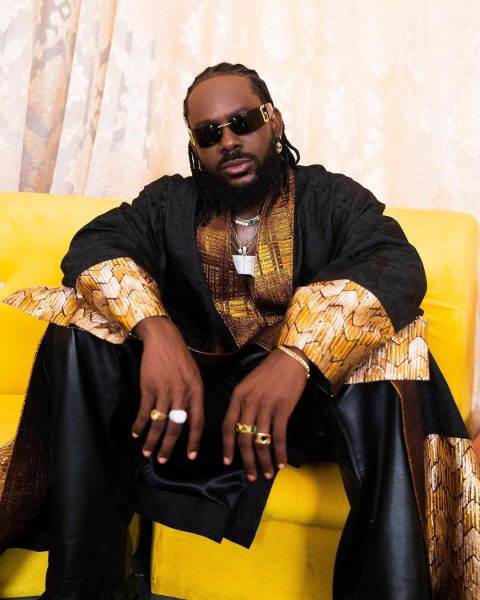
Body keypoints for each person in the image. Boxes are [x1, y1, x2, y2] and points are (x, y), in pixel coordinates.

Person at [1, 62, 479, 600]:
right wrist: (156, 330)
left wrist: (296, 358)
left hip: (306, 413)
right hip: (189, 410)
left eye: (243, 122)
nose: (228, 141)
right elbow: (95, 244)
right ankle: (87, 588)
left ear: (274, 120)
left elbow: (393, 263)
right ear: (195, 146)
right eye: (209, 133)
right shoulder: (169, 203)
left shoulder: (331, 198)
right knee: (78, 324)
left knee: (396, 343)